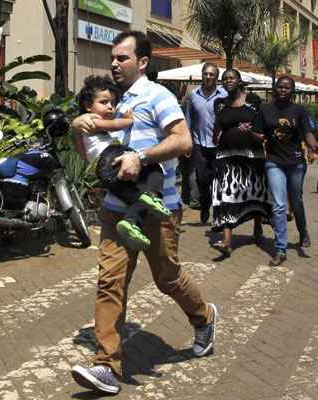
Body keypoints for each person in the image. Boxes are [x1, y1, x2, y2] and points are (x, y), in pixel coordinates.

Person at [69, 31, 217, 395]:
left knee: (167, 279)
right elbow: (89, 149)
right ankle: (106, 365)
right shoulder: (111, 101)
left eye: (122, 58)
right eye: (113, 58)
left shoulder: (157, 96)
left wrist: (142, 156)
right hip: (115, 210)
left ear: (143, 62)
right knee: (110, 282)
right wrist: (77, 127)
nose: (114, 63)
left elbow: (184, 141)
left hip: (158, 208)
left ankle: (204, 318)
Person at [75, 75, 172, 251]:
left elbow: (82, 151)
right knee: (154, 166)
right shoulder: (90, 119)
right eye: (104, 102)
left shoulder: (82, 127)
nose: (110, 107)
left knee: (137, 198)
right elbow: (114, 125)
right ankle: (155, 195)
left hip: (103, 172)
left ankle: (131, 223)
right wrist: (128, 120)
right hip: (111, 157)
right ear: (88, 106)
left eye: (112, 103)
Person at [253, 76, 318, 266]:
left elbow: (307, 132)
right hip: (274, 162)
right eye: (280, 87)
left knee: (297, 199)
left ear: (292, 91)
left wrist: (313, 145)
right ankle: (280, 249)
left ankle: (303, 231)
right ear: (275, 89)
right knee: (279, 205)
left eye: (287, 87)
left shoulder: (299, 110)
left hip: (295, 162)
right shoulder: (265, 109)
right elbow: (259, 133)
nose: (283, 90)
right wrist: (245, 132)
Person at [210, 69, 270, 257]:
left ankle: (257, 226)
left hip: (252, 157)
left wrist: (252, 130)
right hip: (226, 156)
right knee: (225, 194)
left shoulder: (253, 100)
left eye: (231, 78)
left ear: (239, 80)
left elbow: (261, 125)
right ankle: (227, 241)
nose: (228, 81)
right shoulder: (220, 104)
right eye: (225, 79)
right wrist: (216, 135)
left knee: (254, 195)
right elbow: (218, 127)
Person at [184, 63, 228, 223]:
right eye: (206, 74)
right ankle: (204, 205)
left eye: (212, 74)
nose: (208, 77)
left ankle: (217, 211)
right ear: (202, 75)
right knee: (202, 180)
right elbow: (188, 119)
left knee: (218, 179)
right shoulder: (193, 95)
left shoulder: (224, 95)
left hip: (219, 145)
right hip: (199, 144)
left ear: (216, 78)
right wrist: (187, 142)